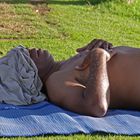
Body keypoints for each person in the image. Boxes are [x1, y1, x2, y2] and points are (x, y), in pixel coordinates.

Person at [29, 39, 140, 117]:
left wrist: (102, 46)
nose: (30, 50)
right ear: (28, 76)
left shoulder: (63, 66)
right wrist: (99, 55)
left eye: (25, 49)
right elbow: (95, 106)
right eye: (25, 56)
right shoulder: (55, 81)